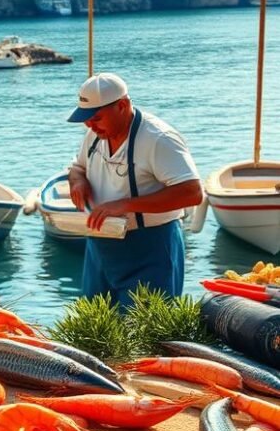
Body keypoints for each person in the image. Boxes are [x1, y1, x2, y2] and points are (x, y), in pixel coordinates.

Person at [65, 72, 204, 308]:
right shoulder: (95, 135)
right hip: (100, 248)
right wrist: (78, 181)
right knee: (94, 332)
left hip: (150, 250)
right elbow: (76, 167)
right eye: (86, 119)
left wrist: (125, 205)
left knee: (145, 338)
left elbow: (192, 192)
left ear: (122, 105)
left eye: (96, 117)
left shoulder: (159, 138)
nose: (89, 124)